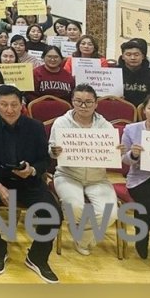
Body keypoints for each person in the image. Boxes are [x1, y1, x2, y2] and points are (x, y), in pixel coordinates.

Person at [0, 85, 60, 283]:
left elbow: (44, 160)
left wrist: (32, 170)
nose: (9, 109)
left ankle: (37, 257)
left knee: (53, 212)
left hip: (27, 180)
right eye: (4, 105)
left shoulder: (36, 126)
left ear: (22, 104)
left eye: (14, 104)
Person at [48, 84, 119, 256]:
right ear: (72, 102)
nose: (83, 106)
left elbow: (112, 153)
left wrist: (117, 151)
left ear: (96, 104)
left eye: (88, 102)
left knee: (110, 213)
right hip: (68, 175)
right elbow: (50, 149)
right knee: (75, 207)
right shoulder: (61, 122)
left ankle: (82, 237)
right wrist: (53, 151)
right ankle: (85, 237)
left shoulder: (105, 126)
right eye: (78, 101)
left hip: (98, 178)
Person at [120, 93, 150, 260]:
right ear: (144, 110)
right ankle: (142, 233)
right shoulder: (131, 129)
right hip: (140, 178)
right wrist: (134, 155)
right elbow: (125, 159)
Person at [119, 39, 150, 106]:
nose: (133, 58)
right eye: (128, 54)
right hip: (120, 110)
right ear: (123, 57)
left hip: (145, 113)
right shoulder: (114, 73)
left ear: (143, 57)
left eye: (136, 54)